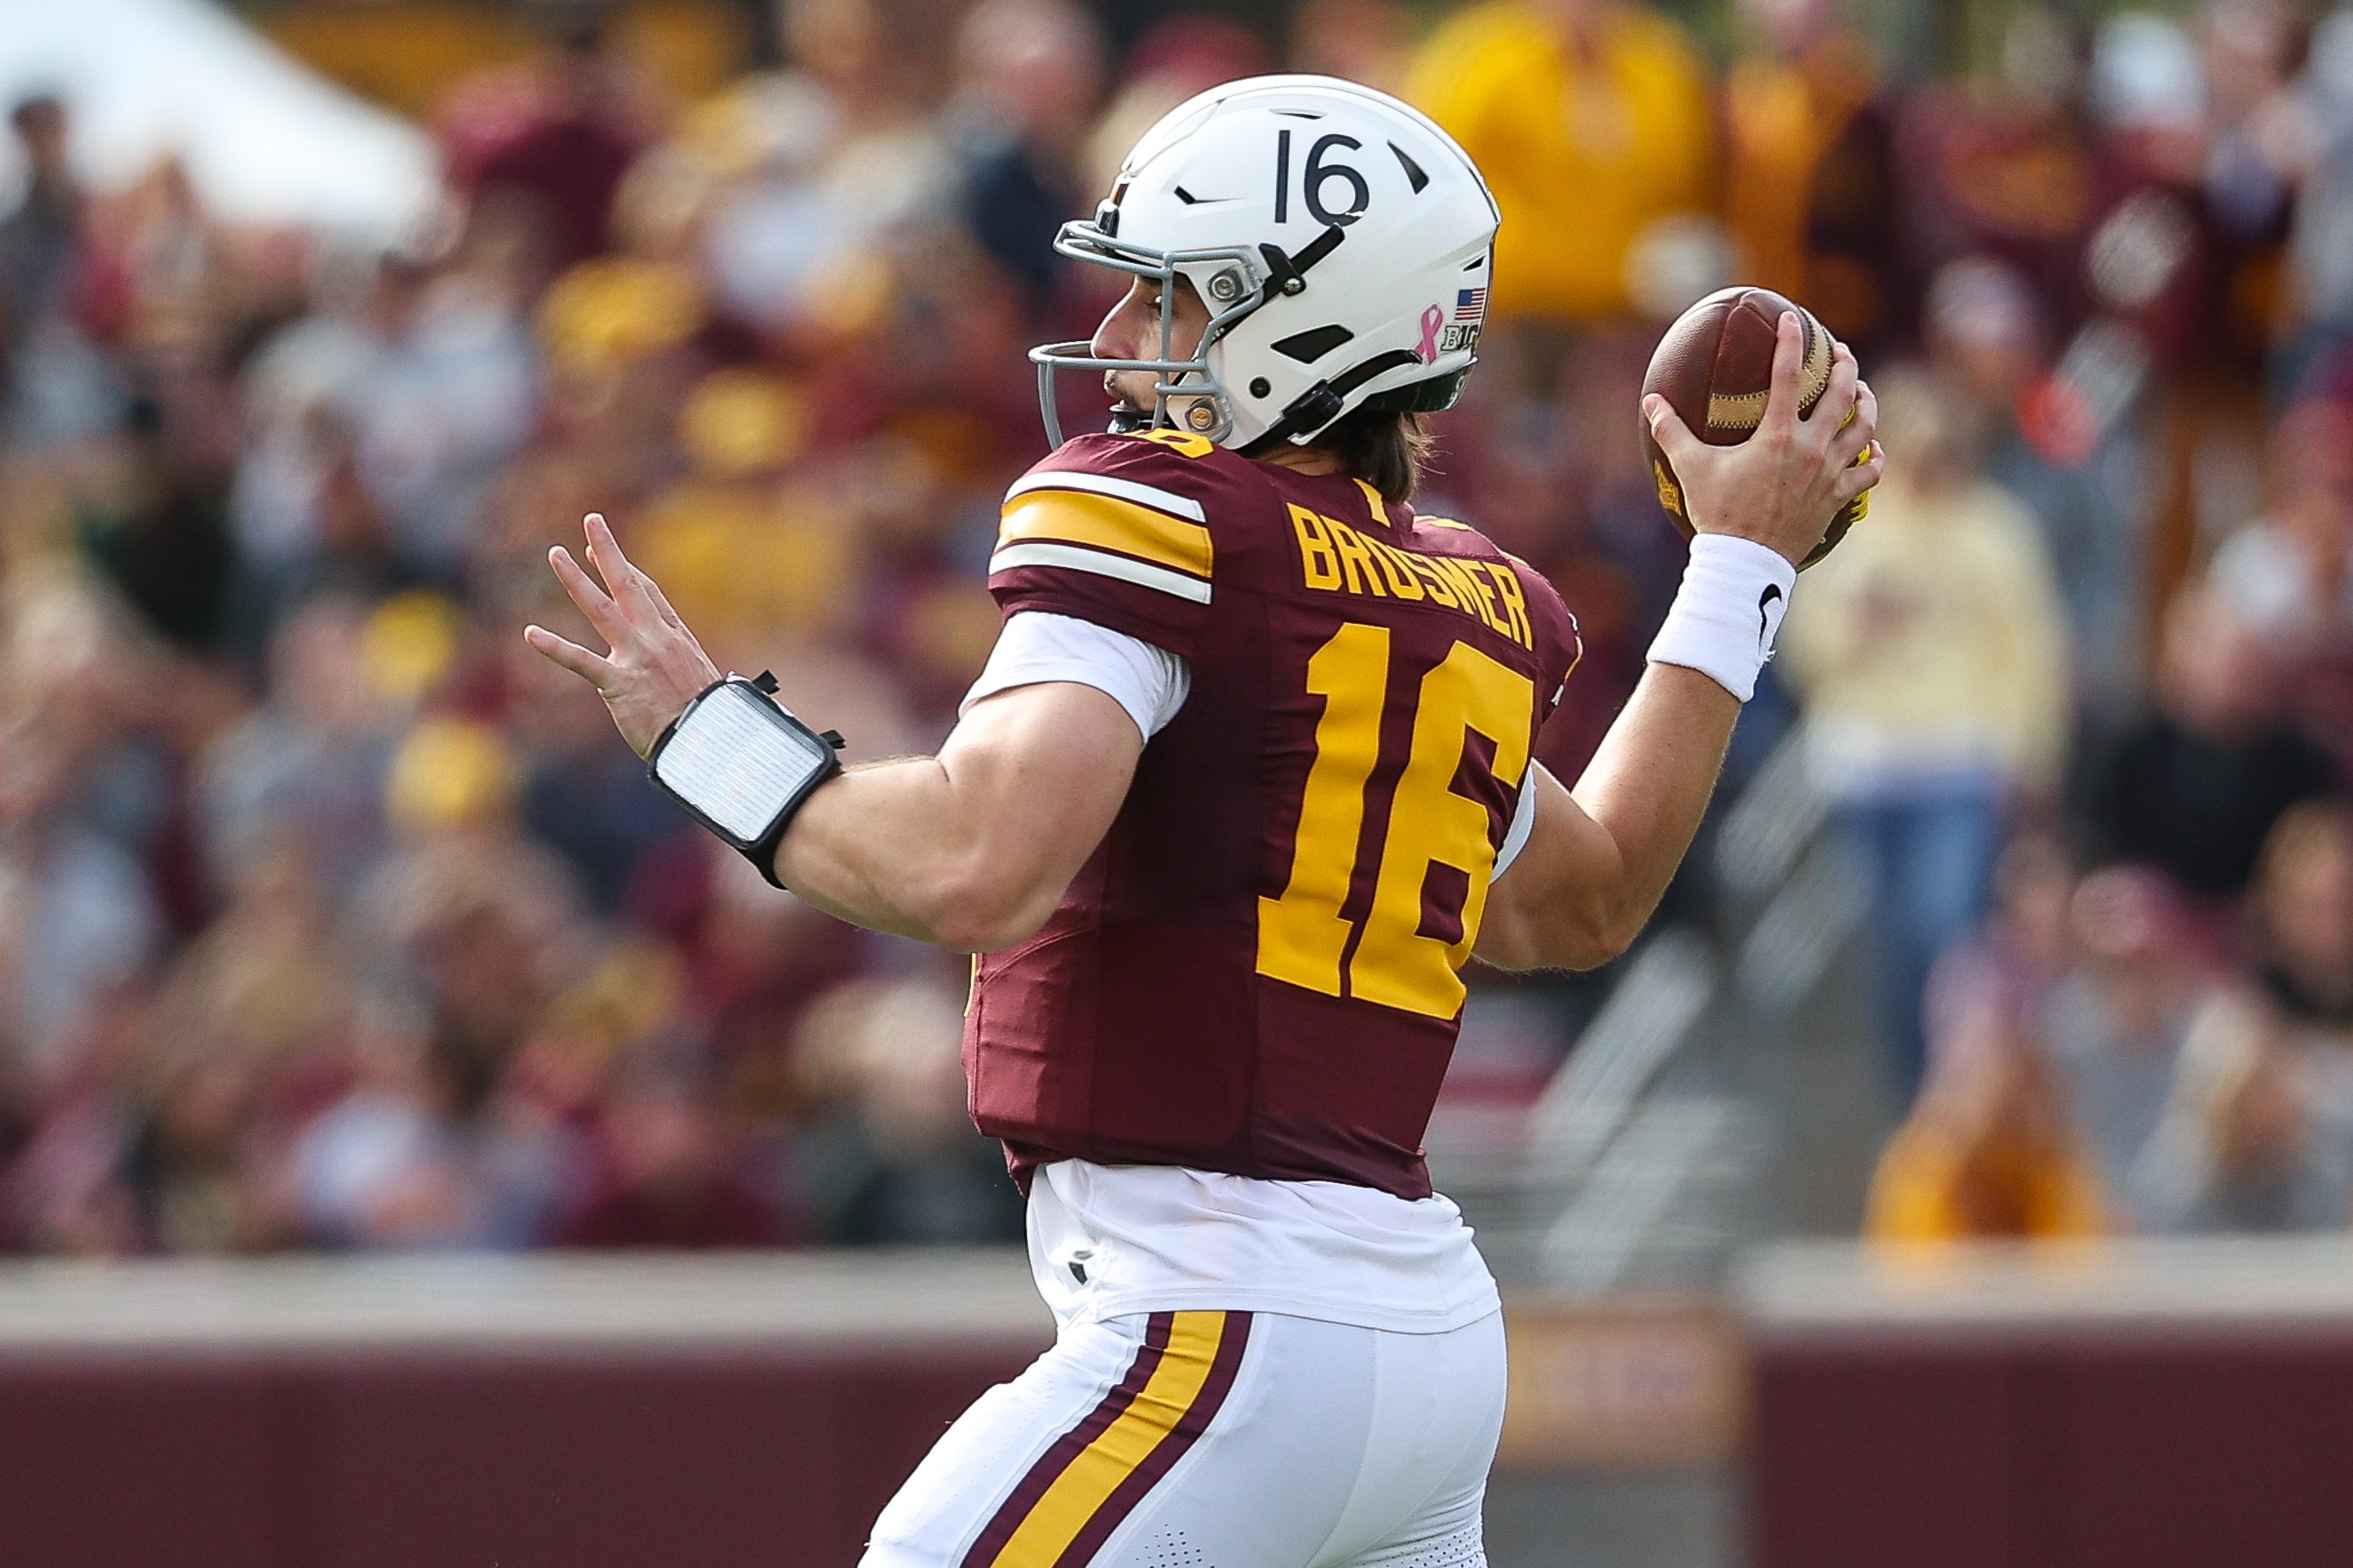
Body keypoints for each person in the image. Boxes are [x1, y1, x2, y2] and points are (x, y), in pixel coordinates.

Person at [524, 76, 1878, 1568]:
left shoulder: (1162, 520)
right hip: (1422, 1343)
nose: (1116, 339)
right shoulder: (1458, 600)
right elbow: (1587, 896)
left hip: (1219, 1325)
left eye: (1169, 296)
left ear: (1312, 322)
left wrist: (706, 739)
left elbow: (974, 861)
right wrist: (1736, 565)